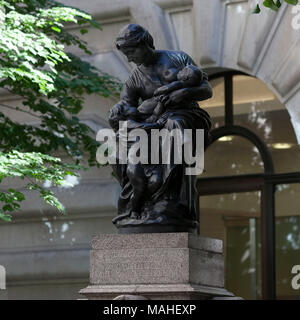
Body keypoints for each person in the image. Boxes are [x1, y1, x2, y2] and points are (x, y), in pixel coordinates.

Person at [109, 23, 212, 233]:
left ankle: (170, 200)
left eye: (131, 52)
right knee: (116, 141)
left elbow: (206, 89)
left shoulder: (177, 59)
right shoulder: (134, 79)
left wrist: (183, 94)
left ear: (144, 44)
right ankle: (138, 200)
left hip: (187, 115)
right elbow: (126, 107)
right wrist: (117, 112)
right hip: (153, 120)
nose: (129, 58)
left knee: (174, 126)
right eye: (126, 54)